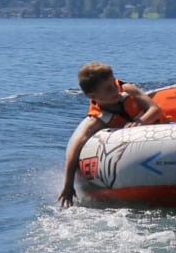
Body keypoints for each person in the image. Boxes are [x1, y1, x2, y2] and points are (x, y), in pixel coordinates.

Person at [59, 61, 165, 207]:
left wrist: (140, 122)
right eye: (108, 89)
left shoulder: (128, 90)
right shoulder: (98, 120)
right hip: (142, 154)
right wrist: (68, 184)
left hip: (164, 133)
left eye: (114, 85)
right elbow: (75, 148)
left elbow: (155, 109)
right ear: (93, 95)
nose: (115, 91)